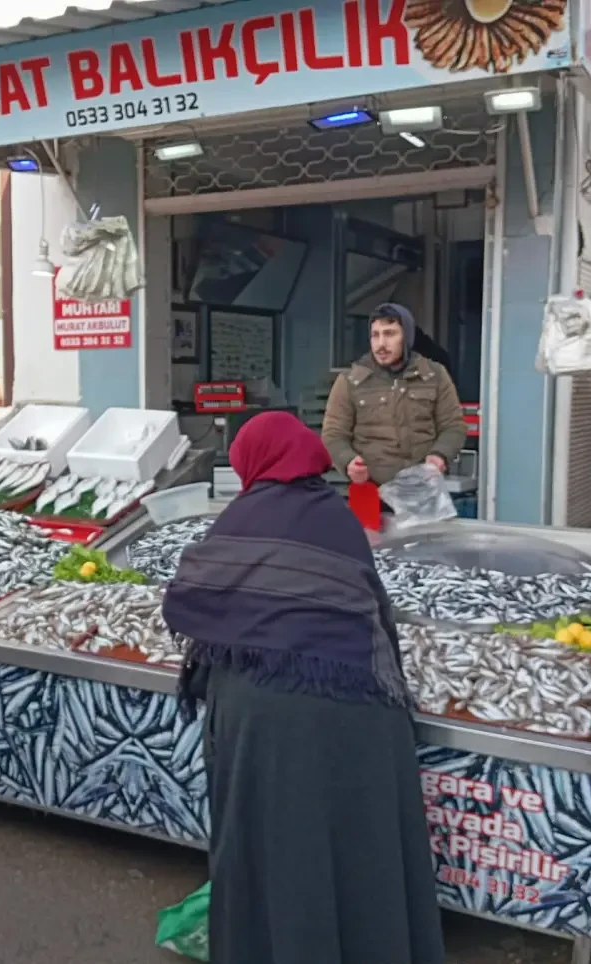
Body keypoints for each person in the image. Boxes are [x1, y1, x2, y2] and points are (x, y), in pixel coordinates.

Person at [162, 411, 444, 964]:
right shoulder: (337, 518)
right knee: (357, 852)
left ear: (253, 462)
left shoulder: (240, 519)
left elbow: (187, 597)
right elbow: (374, 617)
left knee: (276, 852)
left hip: (262, 722)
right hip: (362, 718)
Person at [323, 301, 467, 486]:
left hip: (423, 489)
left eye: (390, 334)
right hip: (371, 492)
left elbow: (453, 426)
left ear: (406, 336)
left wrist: (439, 455)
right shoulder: (350, 381)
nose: (381, 344)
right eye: (375, 335)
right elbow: (333, 434)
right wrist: (348, 461)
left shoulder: (434, 375)